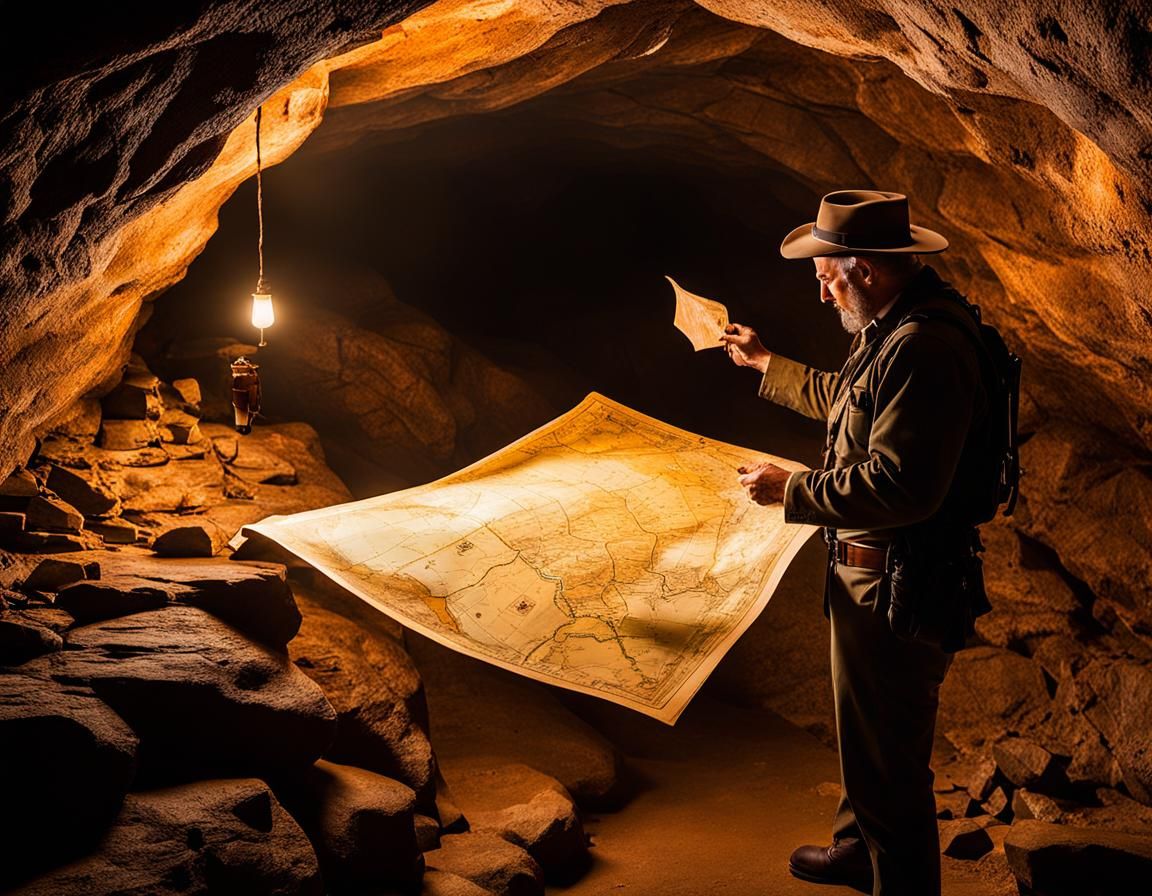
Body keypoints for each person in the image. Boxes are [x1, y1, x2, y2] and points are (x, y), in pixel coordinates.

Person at [720, 190, 989, 896]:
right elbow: (849, 401)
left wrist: (795, 490)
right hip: (871, 571)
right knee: (863, 730)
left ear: (865, 269)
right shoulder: (892, 330)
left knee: (889, 764)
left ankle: (897, 878)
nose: (820, 291)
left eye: (826, 275)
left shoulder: (925, 347)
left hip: (899, 581)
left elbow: (906, 487)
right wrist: (765, 364)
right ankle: (855, 848)